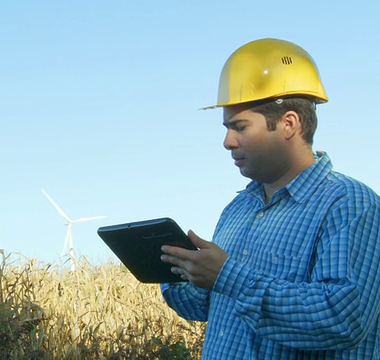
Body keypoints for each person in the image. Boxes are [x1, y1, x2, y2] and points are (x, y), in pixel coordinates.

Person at [160, 38, 380, 359]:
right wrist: (176, 272)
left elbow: (342, 319)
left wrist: (228, 276)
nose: (227, 141)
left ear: (289, 124)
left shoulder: (349, 203)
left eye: (240, 127)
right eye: (226, 127)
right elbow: (206, 306)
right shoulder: (237, 210)